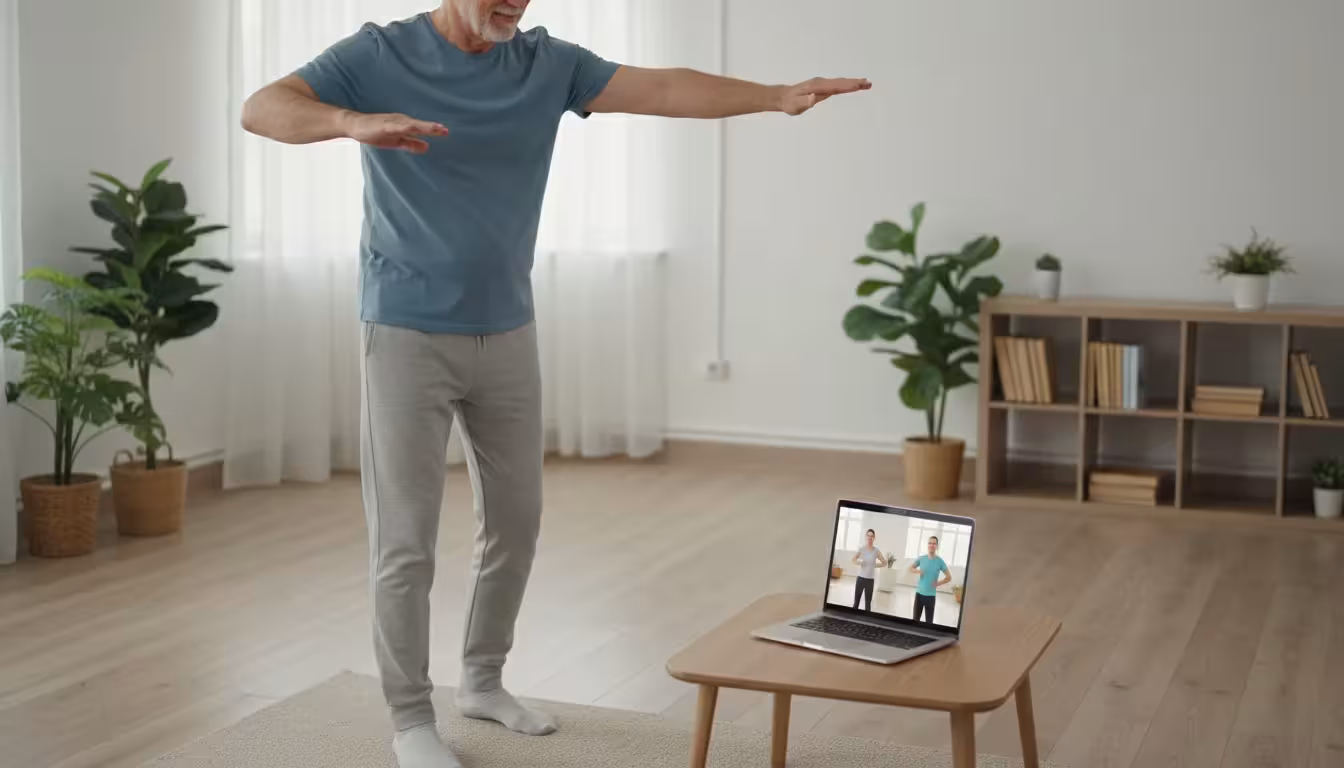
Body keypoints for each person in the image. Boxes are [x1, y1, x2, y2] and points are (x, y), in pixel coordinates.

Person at [240, 2, 870, 766]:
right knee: (405, 543)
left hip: (508, 326)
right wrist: (349, 122)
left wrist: (773, 96)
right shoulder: (379, 53)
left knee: (516, 522)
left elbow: (664, 89)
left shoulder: (547, 63)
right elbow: (263, 108)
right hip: (403, 330)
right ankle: (410, 719)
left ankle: (482, 679)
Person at [909, 536, 952, 623]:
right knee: (915, 621)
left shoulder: (940, 561)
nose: (931, 545)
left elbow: (949, 577)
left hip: (931, 597)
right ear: (927, 545)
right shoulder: (921, 558)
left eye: (934, 543)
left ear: (937, 546)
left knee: (929, 623)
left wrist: (937, 583)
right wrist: (918, 571)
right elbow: (910, 568)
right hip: (919, 595)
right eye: (930, 543)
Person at [850, 528, 885, 611]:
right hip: (860, 579)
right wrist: (859, 562)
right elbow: (853, 560)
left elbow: (884, 563)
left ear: (874, 538)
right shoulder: (862, 548)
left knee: (868, 605)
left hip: (870, 581)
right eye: (868, 536)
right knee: (856, 603)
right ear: (866, 537)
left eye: (872, 536)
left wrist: (875, 565)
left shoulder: (876, 550)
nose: (870, 538)